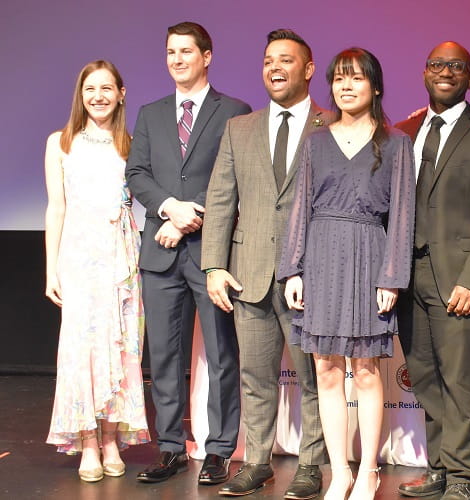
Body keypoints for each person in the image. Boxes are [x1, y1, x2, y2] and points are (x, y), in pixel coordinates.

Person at [202, 29, 334, 499]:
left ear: (309, 69)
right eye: (267, 62)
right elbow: (220, 198)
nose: (274, 68)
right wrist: (214, 266)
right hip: (249, 273)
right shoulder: (240, 127)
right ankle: (256, 461)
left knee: (318, 378)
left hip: (312, 276)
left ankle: (311, 465)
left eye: (285, 60)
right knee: (255, 378)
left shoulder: (333, 124)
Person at [277, 47, 415, 500]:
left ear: (375, 86)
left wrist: (392, 276)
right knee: (327, 370)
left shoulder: (395, 144)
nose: (346, 86)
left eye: (356, 78)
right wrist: (292, 270)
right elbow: (299, 209)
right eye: (339, 78)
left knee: (368, 371)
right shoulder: (316, 142)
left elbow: (402, 216)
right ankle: (340, 472)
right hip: (320, 257)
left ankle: (370, 469)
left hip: (369, 255)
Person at [125, 22, 251, 485]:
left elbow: (233, 178)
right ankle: (171, 448)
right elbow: (137, 173)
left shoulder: (234, 111)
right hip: (159, 255)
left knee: (221, 353)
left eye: (186, 51)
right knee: (163, 356)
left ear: (207, 56)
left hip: (210, 251)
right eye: (170, 52)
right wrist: (168, 208)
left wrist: (188, 218)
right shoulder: (150, 113)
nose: (177, 59)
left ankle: (219, 449)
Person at [395, 42, 470, 500]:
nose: (445, 71)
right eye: (437, 65)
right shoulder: (403, 131)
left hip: (459, 279)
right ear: (425, 73)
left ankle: (465, 475)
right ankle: (441, 466)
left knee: (460, 378)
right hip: (409, 275)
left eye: (456, 66)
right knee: (424, 376)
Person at [44, 60, 150, 482]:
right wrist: (51, 269)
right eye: (91, 89)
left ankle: (111, 438)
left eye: (107, 88)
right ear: (81, 94)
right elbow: (57, 208)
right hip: (78, 259)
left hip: (122, 260)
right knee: (82, 351)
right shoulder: (61, 143)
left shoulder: (130, 143)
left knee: (122, 349)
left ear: (121, 93)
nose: (99, 96)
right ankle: (88, 440)